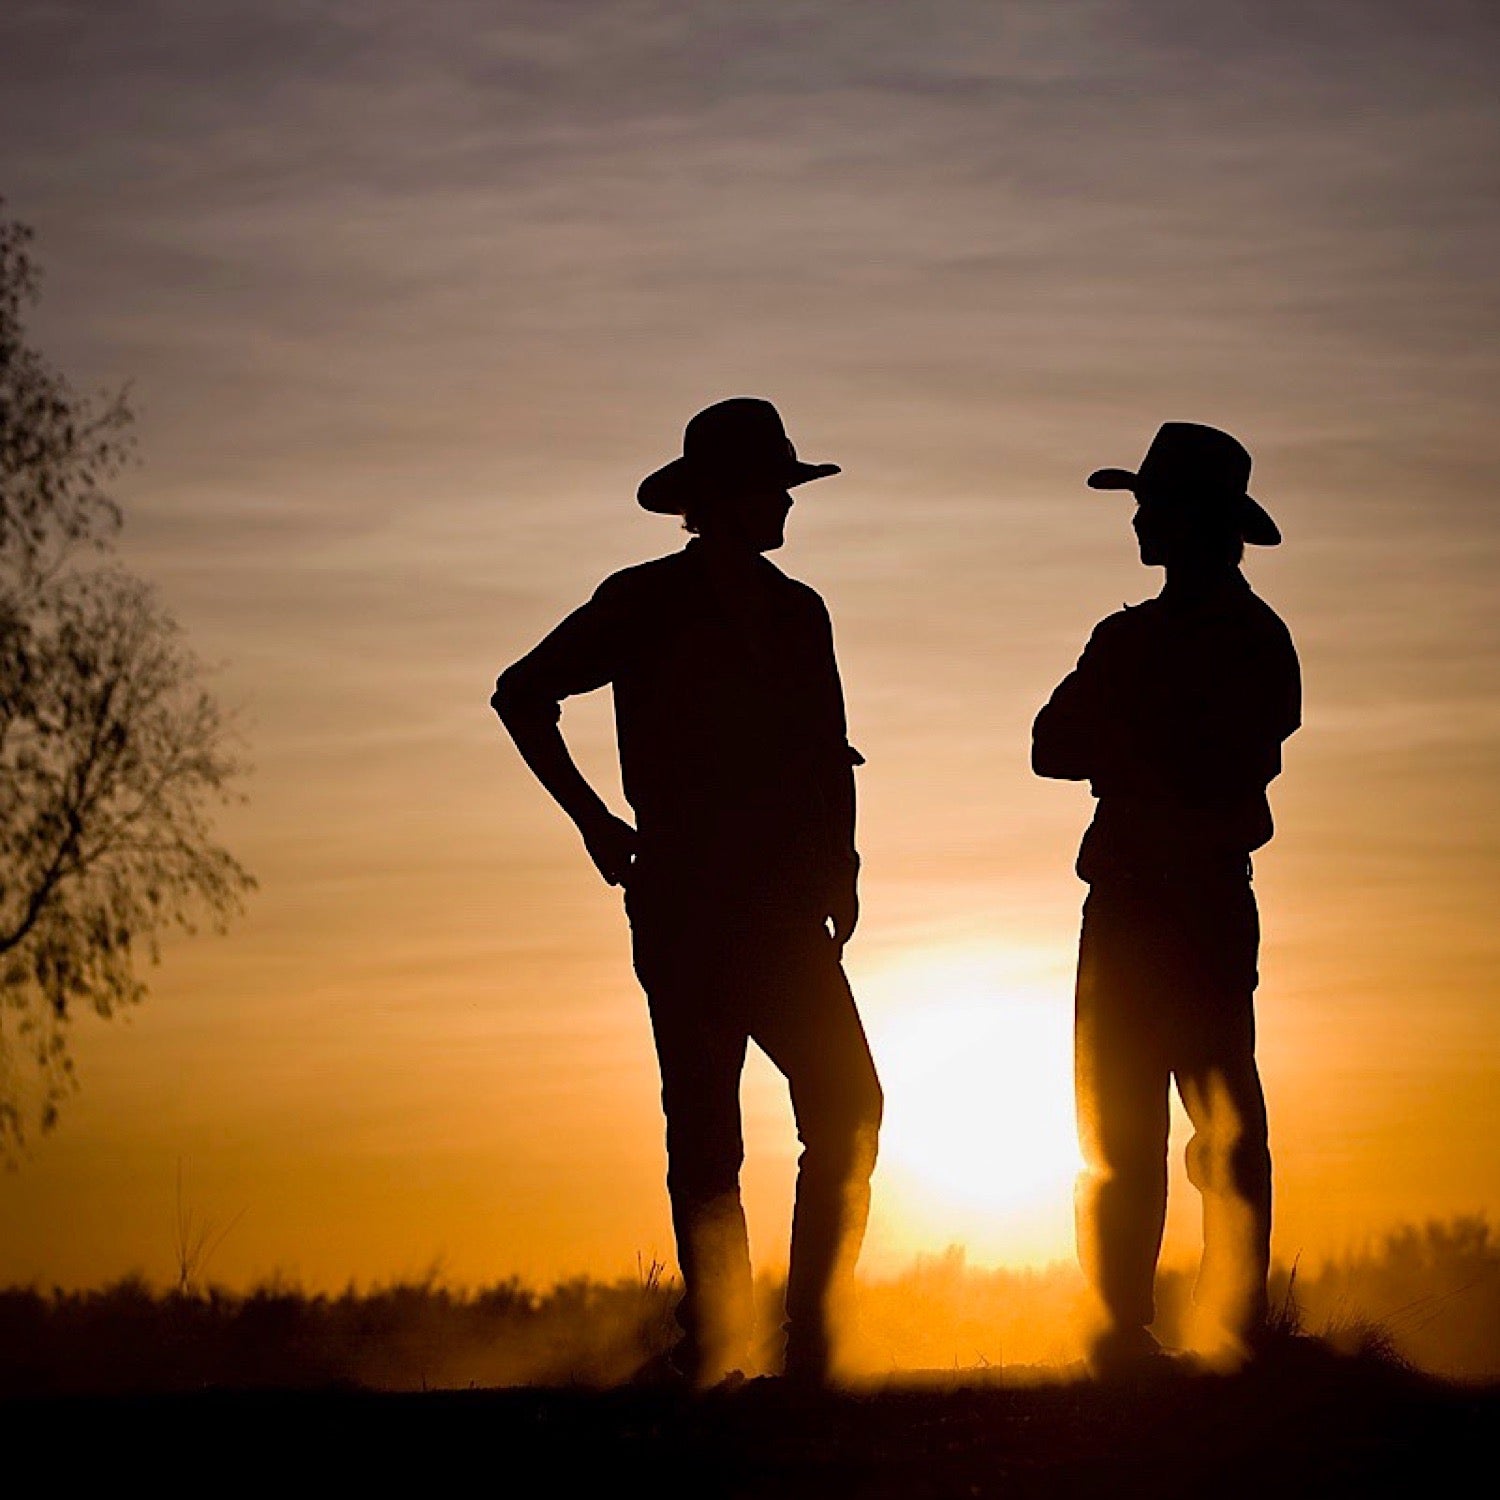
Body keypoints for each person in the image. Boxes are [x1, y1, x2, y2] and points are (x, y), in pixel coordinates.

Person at [491, 397, 882, 1389]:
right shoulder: (642, 601)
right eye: (771, 488)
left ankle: (806, 1345)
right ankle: (721, 1344)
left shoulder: (802, 613)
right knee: (712, 1128)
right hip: (691, 899)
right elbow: (522, 692)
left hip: (780, 908)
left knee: (843, 1106)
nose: (786, 505)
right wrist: (593, 822)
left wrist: (841, 864)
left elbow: (824, 755)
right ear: (720, 501)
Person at [1032, 422, 1301, 1375]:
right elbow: (1049, 743)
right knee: (1133, 1124)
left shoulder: (1236, 642)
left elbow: (1200, 759)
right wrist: (1146, 754)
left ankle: (1224, 1324)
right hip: (1149, 902)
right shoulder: (1158, 637)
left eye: (1152, 506)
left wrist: (1130, 751)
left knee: (1215, 1120)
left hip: (1185, 902)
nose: (1139, 521)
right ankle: (1141, 1332)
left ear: (1195, 523)